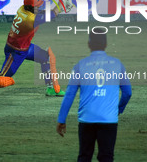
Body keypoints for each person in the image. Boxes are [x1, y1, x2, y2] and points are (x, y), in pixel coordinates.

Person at [0, 0, 73, 97]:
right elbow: (50, 15)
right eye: (37, 5)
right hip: (15, 51)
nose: (39, 7)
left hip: (25, 47)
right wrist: (60, 5)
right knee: (3, 77)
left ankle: (51, 88)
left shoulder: (23, 8)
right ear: (30, 8)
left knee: (46, 58)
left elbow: (43, 13)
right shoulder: (30, 20)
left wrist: (60, 7)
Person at [56, 28, 132, 162]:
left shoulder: (80, 66)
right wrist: (118, 109)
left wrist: (62, 119)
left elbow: (69, 95)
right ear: (106, 44)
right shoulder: (117, 64)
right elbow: (127, 93)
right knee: (106, 157)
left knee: (84, 156)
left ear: (89, 44)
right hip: (109, 119)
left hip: (87, 119)